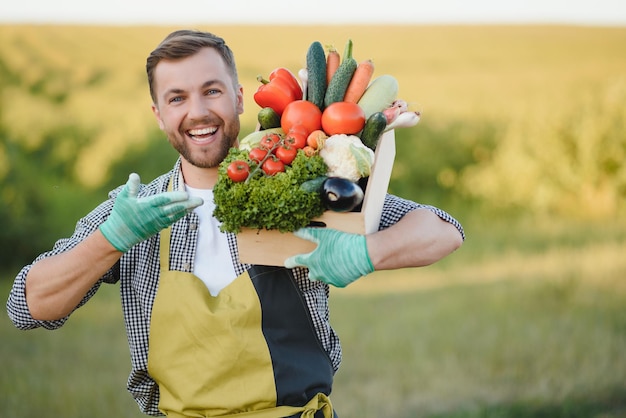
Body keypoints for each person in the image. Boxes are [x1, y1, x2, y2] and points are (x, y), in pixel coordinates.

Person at [6, 29, 465, 417]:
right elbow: (26, 306)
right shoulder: (136, 210)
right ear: (159, 115)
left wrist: (367, 253)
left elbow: (443, 229)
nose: (198, 111)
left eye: (212, 90)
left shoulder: (299, 182)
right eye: (177, 98)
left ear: (240, 98)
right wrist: (112, 238)